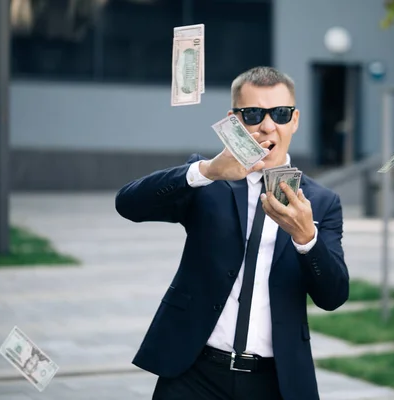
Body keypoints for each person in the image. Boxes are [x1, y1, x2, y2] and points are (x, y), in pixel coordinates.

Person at [115, 66, 349, 400]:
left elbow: (334, 296)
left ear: (294, 120)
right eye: (253, 113)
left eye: (280, 114)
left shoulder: (322, 203)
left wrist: (305, 238)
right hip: (194, 372)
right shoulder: (210, 180)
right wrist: (205, 171)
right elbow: (128, 204)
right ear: (234, 120)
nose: (267, 125)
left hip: (274, 380)